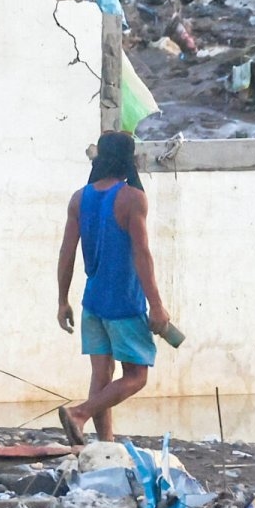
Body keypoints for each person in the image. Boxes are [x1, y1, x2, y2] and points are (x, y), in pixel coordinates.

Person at [54, 131, 171, 444]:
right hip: (123, 304)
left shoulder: (80, 198)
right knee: (136, 376)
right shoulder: (133, 198)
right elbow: (142, 254)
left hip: (92, 303)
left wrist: (62, 300)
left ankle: (105, 447)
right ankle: (79, 414)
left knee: (102, 377)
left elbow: (67, 253)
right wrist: (156, 306)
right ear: (128, 160)